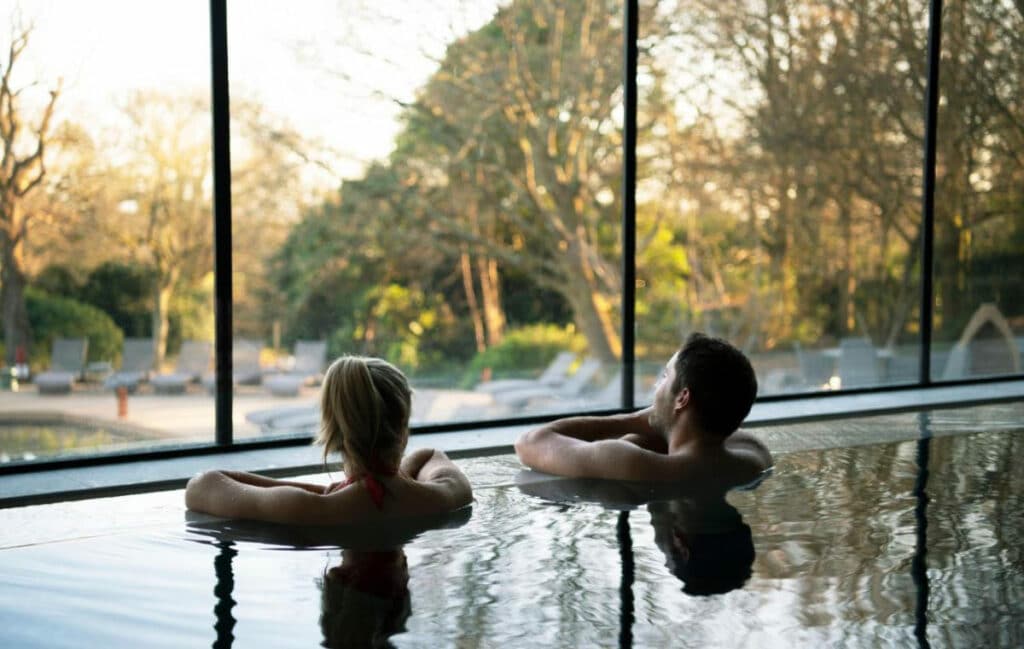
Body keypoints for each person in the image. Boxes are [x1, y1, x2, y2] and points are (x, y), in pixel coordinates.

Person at [185, 356, 473, 525]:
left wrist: (323, 492)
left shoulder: (309, 508)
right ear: (402, 429)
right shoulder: (444, 496)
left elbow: (201, 486)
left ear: (334, 432)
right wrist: (397, 477)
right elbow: (431, 455)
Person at [514, 332, 772, 484]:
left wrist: (635, 420)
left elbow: (529, 443)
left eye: (664, 377)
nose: (657, 388)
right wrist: (660, 423)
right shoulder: (754, 457)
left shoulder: (635, 465)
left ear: (682, 399)